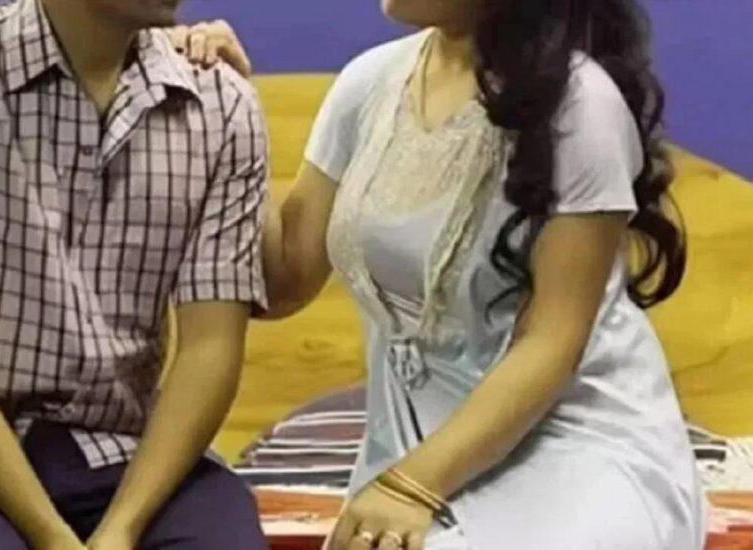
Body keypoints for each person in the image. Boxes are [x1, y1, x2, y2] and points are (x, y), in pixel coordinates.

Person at [179, 0, 705, 548]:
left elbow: (551, 344)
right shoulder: (368, 83)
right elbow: (284, 279)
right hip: (410, 449)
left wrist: (411, 487)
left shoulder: (581, 104)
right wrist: (230, 113)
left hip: (574, 445)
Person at [0, 0, 270, 548]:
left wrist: (122, 529)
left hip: (129, 451)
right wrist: (53, 538)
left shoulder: (222, 103)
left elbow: (211, 346)